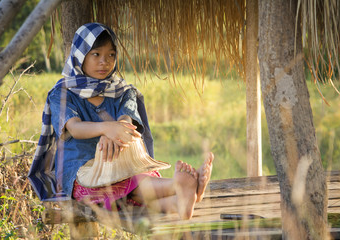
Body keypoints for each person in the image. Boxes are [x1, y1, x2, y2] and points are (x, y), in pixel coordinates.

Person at [28, 23, 214, 220]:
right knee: (125, 187)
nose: (104, 62)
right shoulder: (63, 93)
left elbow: (126, 121)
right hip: (80, 171)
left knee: (131, 186)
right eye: (96, 54)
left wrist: (115, 133)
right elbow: (74, 127)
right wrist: (107, 128)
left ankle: (182, 199)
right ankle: (179, 186)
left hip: (120, 164)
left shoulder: (123, 91)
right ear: (80, 56)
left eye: (111, 55)